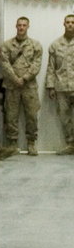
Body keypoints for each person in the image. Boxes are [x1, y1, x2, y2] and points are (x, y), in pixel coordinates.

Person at [0, 16, 42, 155]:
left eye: (24, 25)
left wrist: (24, 78)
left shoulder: (35, 45)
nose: (21, 27)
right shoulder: (6, 45)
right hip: (12, 86)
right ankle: (12, 143)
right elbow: (4, 64)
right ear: (16, 26)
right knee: (11, 115)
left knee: (32, 115)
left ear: (28, 26)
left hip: (29, 86)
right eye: (19, 25)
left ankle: (31, 142)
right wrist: (15, 78)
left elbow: (37, 65)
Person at [46, 13, 74, 154]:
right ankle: (70, 144)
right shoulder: (56, 45)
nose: (70, 24)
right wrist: (50, 86)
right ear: (64, 24)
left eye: (72, 22)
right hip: (61, 86)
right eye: (68, 22)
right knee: (65, 116)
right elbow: (51, 67)